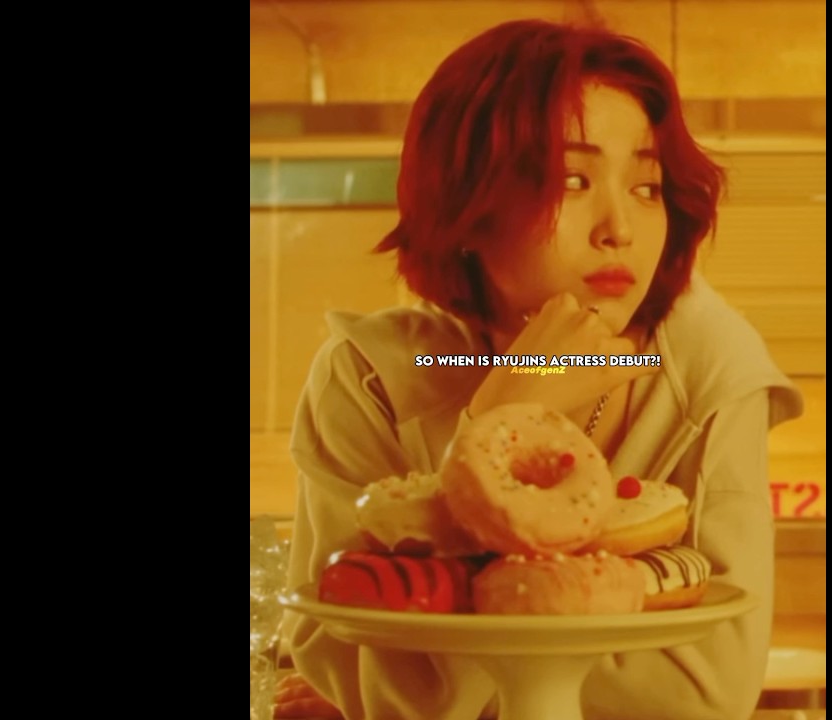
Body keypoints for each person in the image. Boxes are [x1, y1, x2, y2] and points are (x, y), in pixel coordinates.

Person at [277, 18, 803, 720]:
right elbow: (367, 678)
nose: (620, 228)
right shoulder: (371, 376)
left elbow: (703, 694)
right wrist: (498, 426)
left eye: (647, 187)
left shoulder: (708, 368)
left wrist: (440, 666)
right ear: (469, 204)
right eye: (573, 180)